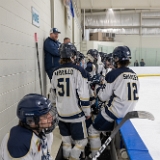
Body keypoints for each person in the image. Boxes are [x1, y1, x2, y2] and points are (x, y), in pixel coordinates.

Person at [88, 46, 140, 158]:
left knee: (92, 130)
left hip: (113, 113)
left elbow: (102, 96)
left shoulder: (113, 74)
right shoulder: (134, 75)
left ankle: (94, 156)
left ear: (116, 59)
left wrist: (97, 86)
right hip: (127, 114)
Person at [49, 43, 91, 160]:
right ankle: (74, 157)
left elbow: (52, 94)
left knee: (66, 141)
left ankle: (67, 157)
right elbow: (83, 94)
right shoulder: (78, 70)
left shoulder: (55, 72)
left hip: (61, 114)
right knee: (82, 141)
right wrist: (87, 112)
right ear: (73, 56)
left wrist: (54, 111)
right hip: (76, 114)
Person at [0, 93, 58, 160]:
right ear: (31, 121)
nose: (50, 117)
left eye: (49, 113)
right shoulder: (19, 143)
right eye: (45, 116)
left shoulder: (42, 131)